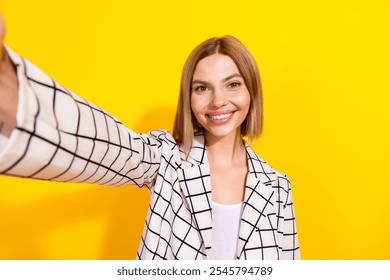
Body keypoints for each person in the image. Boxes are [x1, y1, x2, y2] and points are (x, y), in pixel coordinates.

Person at [0, 15, 300, 260]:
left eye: (232, 84)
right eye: (202, 88)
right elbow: (106, 147)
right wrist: (12, 90)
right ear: (189, 97)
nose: (218, 101)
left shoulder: (276, 187)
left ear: (252, 91)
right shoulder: (166, 158)